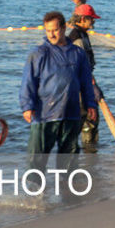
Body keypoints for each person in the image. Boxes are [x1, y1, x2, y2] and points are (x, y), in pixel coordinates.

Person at [20, 11, 97, 171]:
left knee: (69, 159)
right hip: (44, 114)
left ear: (63, 28)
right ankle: (34, 186)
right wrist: (27, 106)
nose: (52, 34)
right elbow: (28, 81)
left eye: (55, 30)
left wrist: (91, 104)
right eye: (48, 30)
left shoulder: (78, 54)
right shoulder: (38, 54)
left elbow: (86, 82)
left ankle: (67, 185)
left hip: (71, 113)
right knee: (36, 159)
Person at [67, 3, 104, 151]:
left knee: (90, 119)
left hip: (84, 83)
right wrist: (92, 86)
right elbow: (80, 67)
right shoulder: (77, 38)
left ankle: (88, 153)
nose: (93, 21)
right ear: (82, 19)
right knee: (89, 119)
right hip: (80, 87)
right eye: (91, 18)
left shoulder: (83, 34)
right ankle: (88, 153)